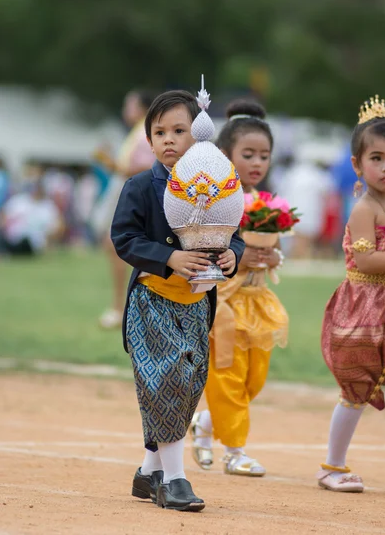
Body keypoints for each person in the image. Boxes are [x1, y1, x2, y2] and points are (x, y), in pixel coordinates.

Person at [111, 90, 245, 511]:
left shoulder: (218, 186)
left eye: (179, 131)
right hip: (151, 302)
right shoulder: (140, 186)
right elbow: (124, 238)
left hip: (197, 305)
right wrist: (168, 255)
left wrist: (231, 255)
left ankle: (148, 471)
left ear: (199, 136)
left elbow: (233, 232)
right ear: (149, 140)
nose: (169, 140)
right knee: (165, 381)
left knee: (186, 386)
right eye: (159, 132)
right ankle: (174, 480)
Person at [189, 100, 288, 476]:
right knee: (228, 375)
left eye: (264, 155)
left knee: (253, 381)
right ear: (225, 154)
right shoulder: (214, 199)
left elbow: (276, 252)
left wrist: (271, 258)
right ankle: (236, 452)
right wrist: (240, 259)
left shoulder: (267, 203)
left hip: (258, 301)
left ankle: (205, 423)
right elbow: (205, 249)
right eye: (248, 154)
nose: (257, 162)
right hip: (224, 302)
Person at [317, 95, 385, 493]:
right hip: (364, 310)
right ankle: (332, 465)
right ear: (356, 165)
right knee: (356, 388)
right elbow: (366, 263)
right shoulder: (364, 208)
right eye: (377, 158)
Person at [96, 90, 157, 329]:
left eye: (129, 104)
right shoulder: (140, 131)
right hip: (127, 192)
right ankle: (123, 307)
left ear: (141, 108)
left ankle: (120, 307)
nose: (126, 110)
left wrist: (111, 163)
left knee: (116, 247)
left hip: (128, 194)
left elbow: (143, 168)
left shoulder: (143, 133)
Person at [0, 178, 63, 255]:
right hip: (13, 238)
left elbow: (58, 226)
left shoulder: (48, 207)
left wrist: (49, 239)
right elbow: (3, 216)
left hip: (34, 243)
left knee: (26, 243)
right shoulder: (19, 200)